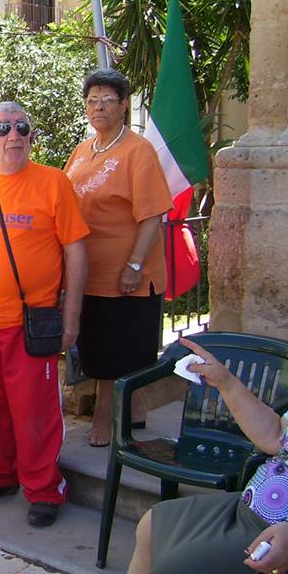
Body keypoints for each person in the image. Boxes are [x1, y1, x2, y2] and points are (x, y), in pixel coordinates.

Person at [0, 101, 88, 527]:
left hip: (32, 319)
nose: (14, 135)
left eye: (22, 128)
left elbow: (75, 250)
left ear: (31, 135)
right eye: (4, 128)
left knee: (34, 411)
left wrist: (71, 315)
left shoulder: (53, 183)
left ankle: (44, 488)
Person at [107, 338, 288, 574]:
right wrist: (226, 383)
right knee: (153, 526)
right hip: (251, 508)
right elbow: (275, 436)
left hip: (277, 535)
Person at [65, 68, 173, 447]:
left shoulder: (137, 151)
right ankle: (135, 411)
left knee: (120, 351)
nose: (98, 107)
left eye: (107, 100)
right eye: (92, 100)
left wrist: (134, 266)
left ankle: (105, 419)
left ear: (124, 105)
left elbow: (152, 214)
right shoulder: (83, 150)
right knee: (97, 347)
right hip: (89, 272)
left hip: (126, 272)